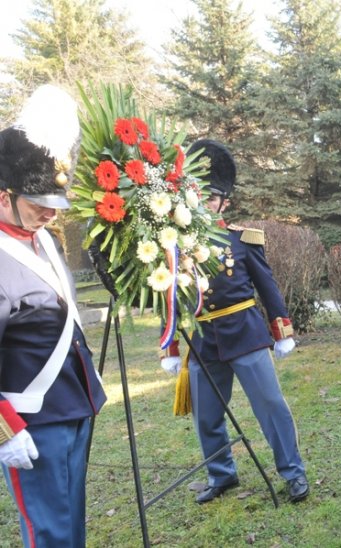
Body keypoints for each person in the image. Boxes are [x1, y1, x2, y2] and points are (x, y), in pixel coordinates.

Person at [163, 139, 309, 504]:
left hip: (244, 333)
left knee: (270, 407)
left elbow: (267, 285)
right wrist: (171, 345)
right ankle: (222, 474)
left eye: (213, 198)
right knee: (207, 417)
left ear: (224, 201)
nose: (207, 205)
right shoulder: (175, 244)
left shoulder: (242, 240)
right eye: (201, 197)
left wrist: (282, 328)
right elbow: (169, 295)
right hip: (203, 341)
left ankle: (293, 473)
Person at [0, 85, 107, 546]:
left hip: (72, 402)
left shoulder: (40, 236)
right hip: (30, 421)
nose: (49, 211)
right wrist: (5, 430)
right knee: (50, 534)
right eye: (37, 201)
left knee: (71, 525)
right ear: (5, 194)